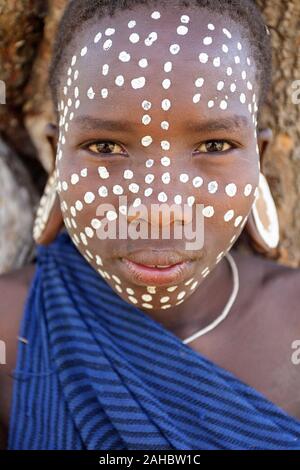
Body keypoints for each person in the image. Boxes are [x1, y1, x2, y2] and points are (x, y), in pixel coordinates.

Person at [1, 0, 300, 450]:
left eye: (215, 144)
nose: (160, 208)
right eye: (105, 147)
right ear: (57, 156)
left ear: (256, 159)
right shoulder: (8, 326)